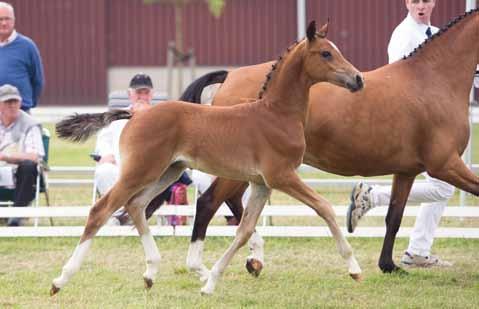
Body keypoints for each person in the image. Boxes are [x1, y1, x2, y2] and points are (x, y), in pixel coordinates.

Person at [347, 0, 461, 268]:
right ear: (407, 3)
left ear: (434, 3)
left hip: (435, 125)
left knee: (443, 187)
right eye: (415, 1)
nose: (421, 6)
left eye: (426, 0)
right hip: (415, 127)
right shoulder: (404, 35)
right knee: (444, 185)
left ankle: (417, 250)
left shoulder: (436, 34)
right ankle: (374, 198)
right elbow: (396, 79)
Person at [94, 73, 192, 225]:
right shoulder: (117, 117)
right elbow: (103, 140)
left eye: (145, 92)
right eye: (138, 92)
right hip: (119, 168)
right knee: (104, 171)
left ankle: (134, 217)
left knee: (164, 176)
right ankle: (116, 216)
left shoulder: (163, 117)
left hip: (151, 171)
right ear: (129, 94)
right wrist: (106, 155)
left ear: (151, 94)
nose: (142, 96)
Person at [0, 84, 44, 226]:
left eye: (15, 101)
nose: (12, 106)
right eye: (8, 102)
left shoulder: (30, 124)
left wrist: (6, 157)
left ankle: (16, 216)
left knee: (29, 166)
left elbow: (34, 156)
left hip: (21, 173)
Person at [0, 2, 44, 112]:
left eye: (7, 19)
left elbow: (37, 80)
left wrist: (28, 103)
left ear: (14, 20)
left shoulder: (27, 46)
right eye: (0, 19)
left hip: (20, 111)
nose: (4, 23)